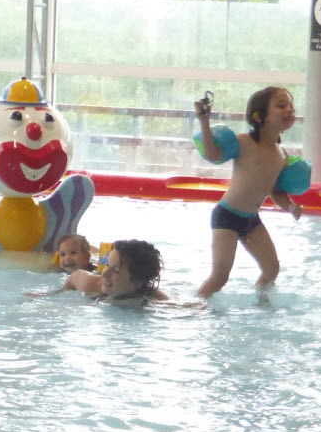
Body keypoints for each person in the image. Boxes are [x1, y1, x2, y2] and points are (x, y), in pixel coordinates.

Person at [194, 86, 303, 297]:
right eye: (281, 105)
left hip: (251, 220)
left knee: (272, 270)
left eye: (290, 105)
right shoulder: (244, 143)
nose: (289, 109)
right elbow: (213, 154)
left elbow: (276, 192)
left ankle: (262, 306)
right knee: (220, 276)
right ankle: (192, 308)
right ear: (259, 116)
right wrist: (204, 121)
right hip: (227, 216)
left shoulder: (281, 155)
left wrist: (290, 206)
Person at [97, 239, 170, 304]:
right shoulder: (89, 284)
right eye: (107, 264)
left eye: (116, 270)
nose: (104, 274)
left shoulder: (153, 301)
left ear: (138, 278)